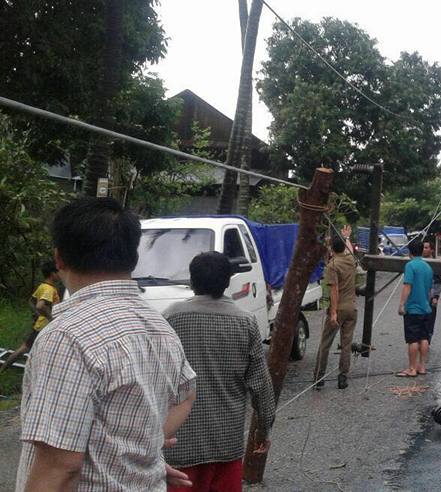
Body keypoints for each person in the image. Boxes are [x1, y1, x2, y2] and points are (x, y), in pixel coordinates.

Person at [16, 198, 197, 491]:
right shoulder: (159, 325)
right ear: (133, 258)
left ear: (59, 259)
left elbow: (60, 467)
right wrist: (140, 448)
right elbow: (187, 394)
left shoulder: (67, 336)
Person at [161, 251, 274, 492]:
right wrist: (263, 430)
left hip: (179, 445)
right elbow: (261, 386)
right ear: (227, 282)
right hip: (226, 446)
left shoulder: (170, 318)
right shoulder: (245, 322)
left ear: (192, 282)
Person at [313, 235, 358, 390]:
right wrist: (347, 237)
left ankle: (319, 378)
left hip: (338, 309)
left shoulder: (332, 265)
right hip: (352, 308)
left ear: (331, 248)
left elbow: (334, 290)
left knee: (325, 343)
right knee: (346, 344)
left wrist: (333, 313)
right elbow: (350, 250)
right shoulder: (350, 260)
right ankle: (343, 377)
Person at [0, 262, 59, 374]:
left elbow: (31, 301)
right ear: (52, 274)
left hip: (41, 324)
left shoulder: (43, 286)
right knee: (24, 349)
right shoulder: (49, 289)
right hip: (44, 326)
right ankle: (3, 369)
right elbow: (40, 305)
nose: (60, 275)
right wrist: (51, 318)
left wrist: (37, 314)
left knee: (30, 348)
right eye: (58, 272)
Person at [396, 240, 433, 377]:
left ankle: (411, 368)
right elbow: (430, 290)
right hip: (426, 308)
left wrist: (402, 304)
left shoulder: (410, 266)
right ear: (422, 250)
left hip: (413, 309)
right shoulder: (428, 267)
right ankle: (422, 367)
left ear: (409, 252)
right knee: (424, 338)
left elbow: (407, 286)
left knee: (412, 340)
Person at [422, 240, 441, 342]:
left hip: (431, 297)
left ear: (431, 250)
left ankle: (427, 339)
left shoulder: (436, 264)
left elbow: (438, 282)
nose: (424, 250)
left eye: (426, 248)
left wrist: (435, 297)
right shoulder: (419, 262)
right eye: (423, 248)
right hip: (420, 296)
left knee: (430, 320)